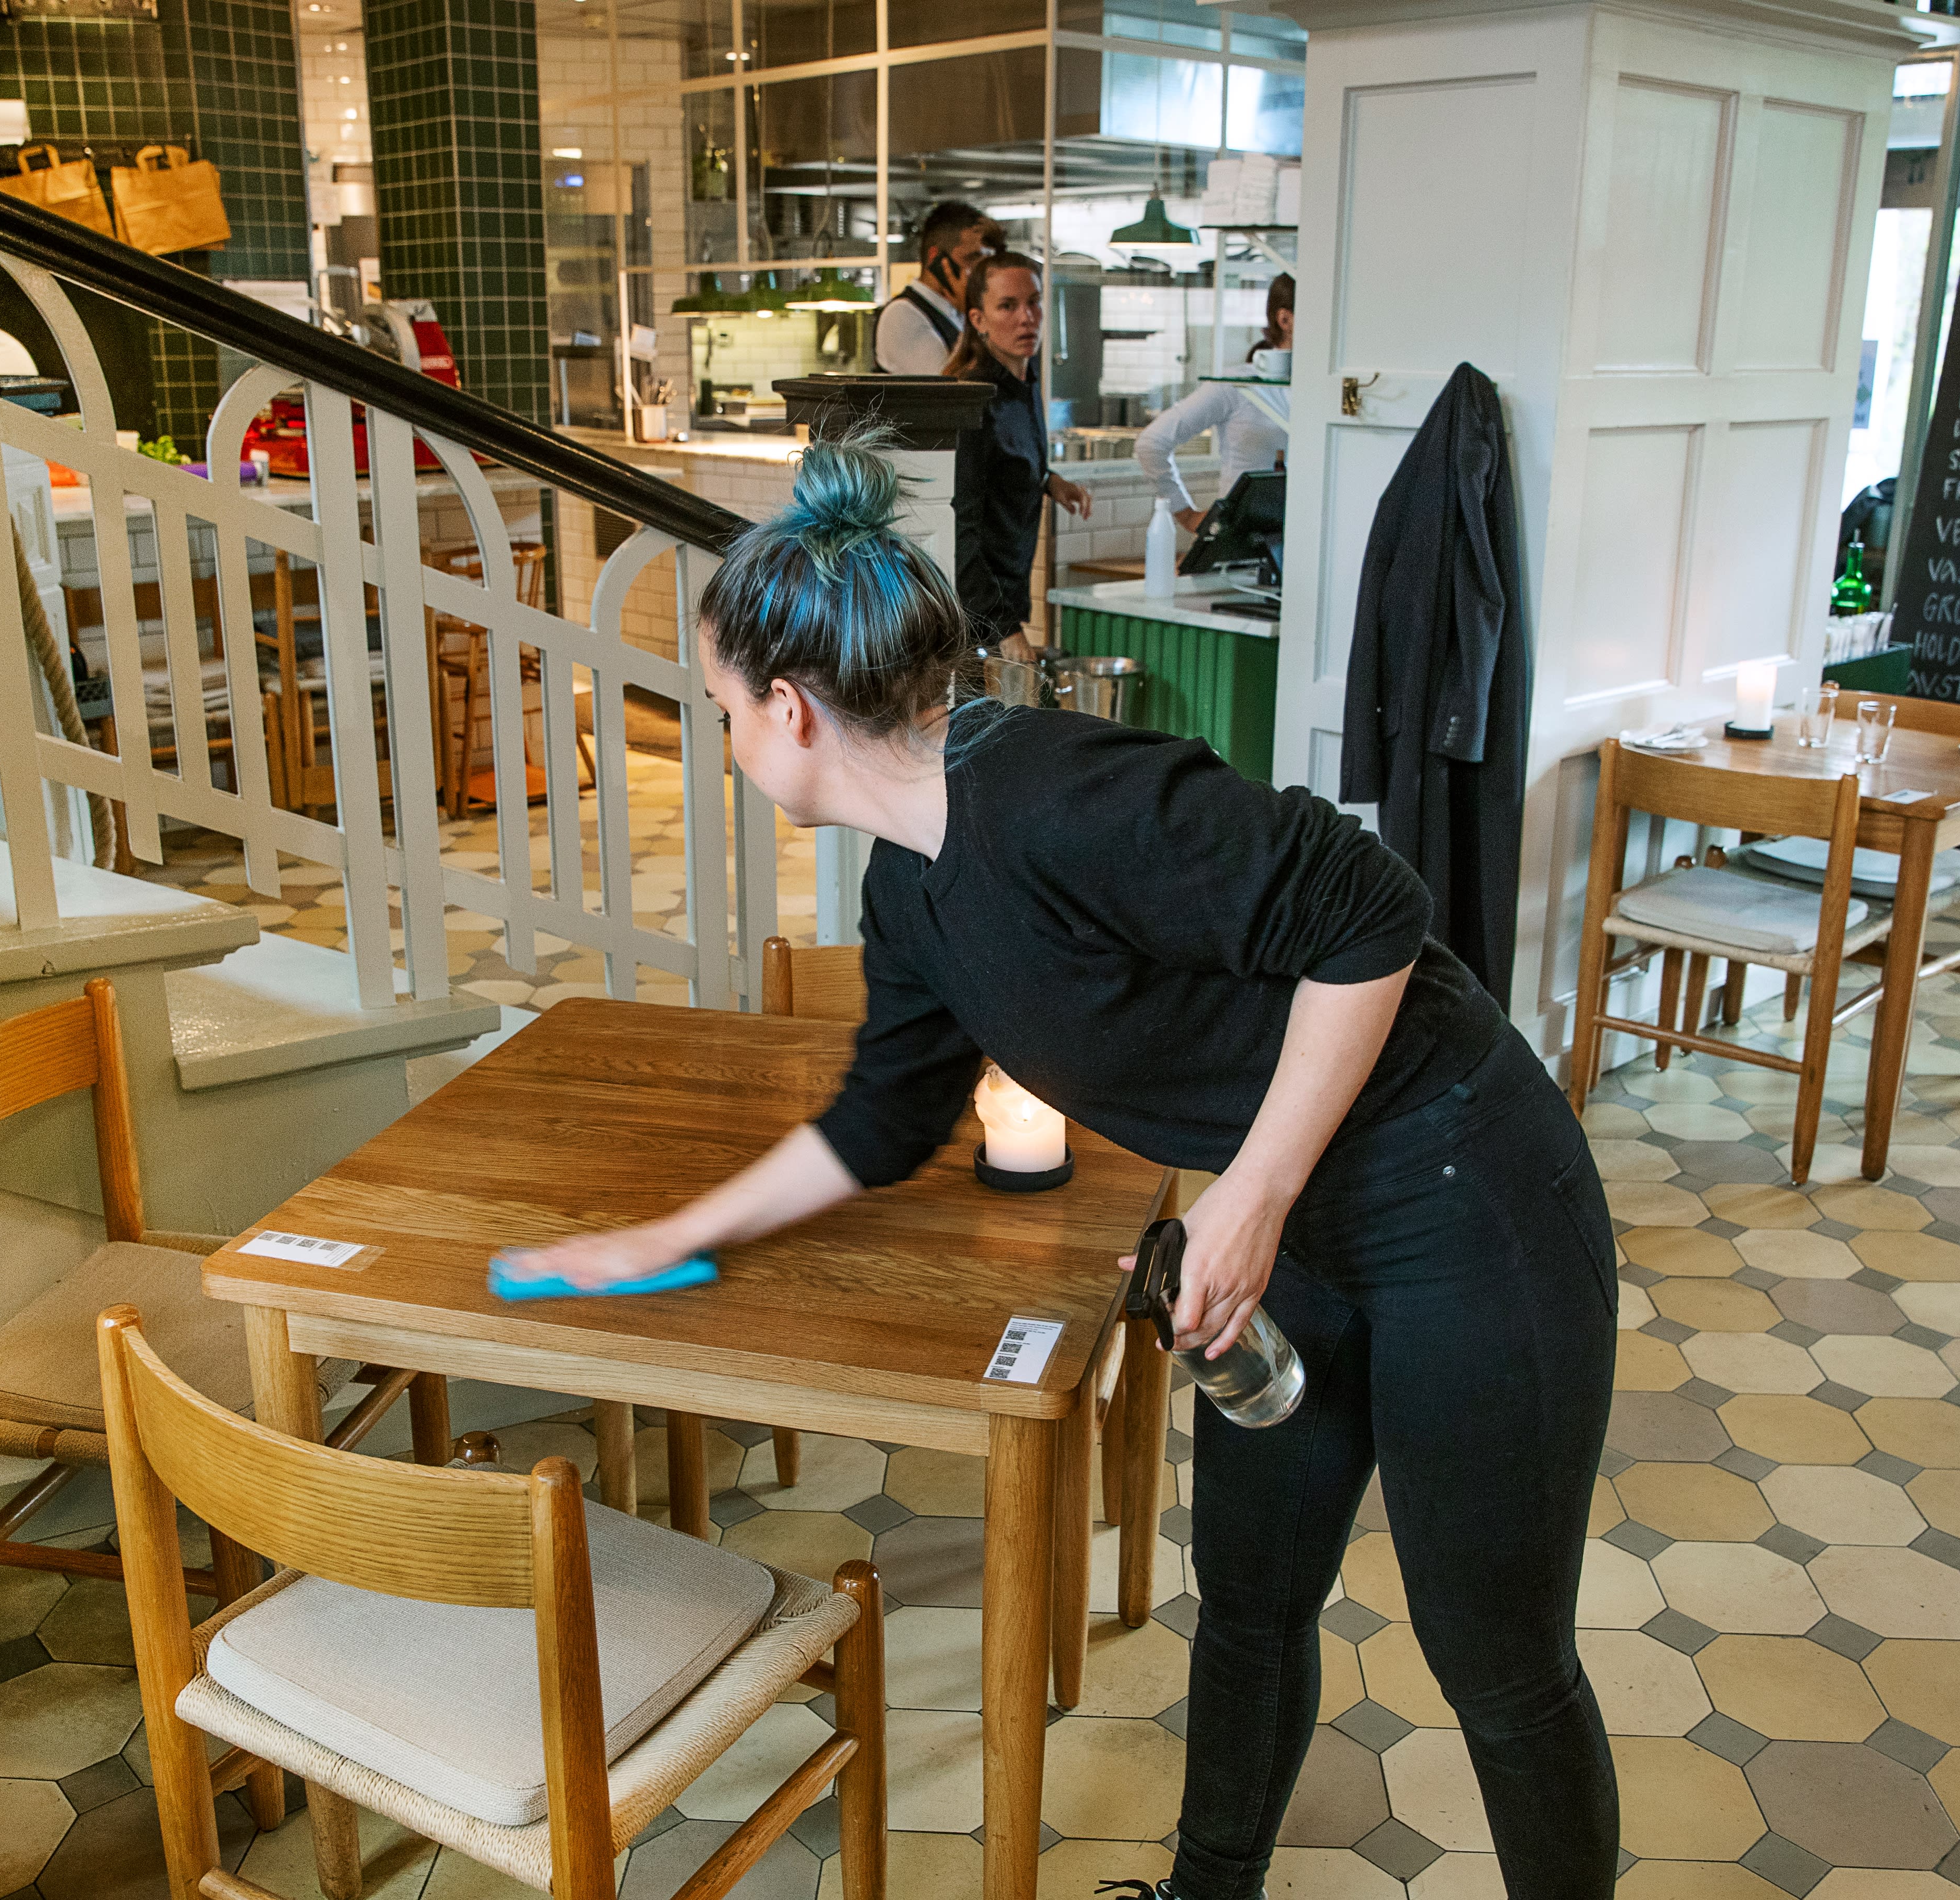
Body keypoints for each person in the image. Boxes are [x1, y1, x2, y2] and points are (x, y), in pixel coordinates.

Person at [507, 438, 1623, 1900]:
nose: (725, 742)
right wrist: (657, 1238)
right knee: (1252, 1599)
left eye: (722, 712)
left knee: (1496, 1655)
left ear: (789, 712)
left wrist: (1251, 1193)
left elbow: (1375, 914)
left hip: (1468, 1188)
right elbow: (881, 1120)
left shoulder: (1059, 796)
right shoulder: (906, 882)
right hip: (1292, 1222)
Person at [944, 252, 1091, 652]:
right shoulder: (975, 402)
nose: (1027, 317)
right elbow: (962, 533)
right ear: (978, 320)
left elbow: (1006, 462)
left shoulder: (1023, 382)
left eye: (1034, 302)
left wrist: (1049, 481)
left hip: (1002, 603)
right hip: (972, 619)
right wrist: (1003, 630)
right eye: (1008, 306)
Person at [1135, 272, 1295, 532]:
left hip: (1307, 544)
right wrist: (1187, 515)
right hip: (1242, 544)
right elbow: (1152, 444)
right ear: (1285, 319)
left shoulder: (1326, 390)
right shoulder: (1237, 385)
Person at [872, 199, 998, 376]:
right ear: (935, 258)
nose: (981, 272)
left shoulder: (957, 311)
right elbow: (948, 389)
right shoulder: (902, 315)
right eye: (971, 259)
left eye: (986, 261)